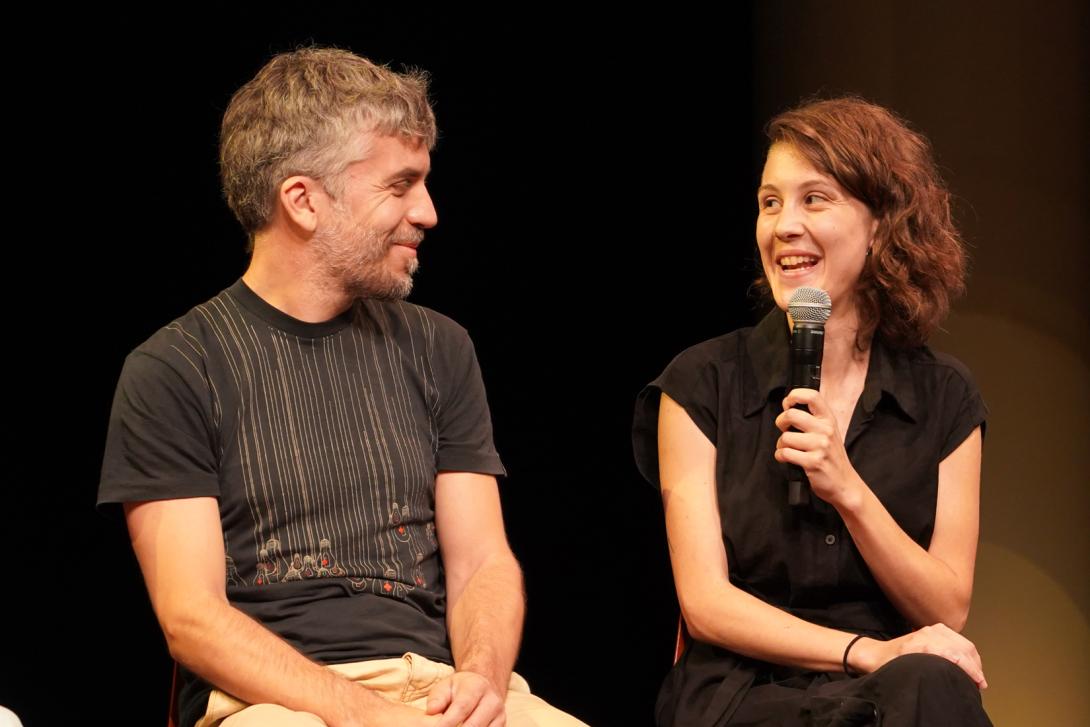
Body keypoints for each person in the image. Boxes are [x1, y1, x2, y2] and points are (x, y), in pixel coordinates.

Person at [100, 47, 585, 727]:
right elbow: (192, 617)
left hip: (439, 686)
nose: (428, 212)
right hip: (270, 703)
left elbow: (482, 561)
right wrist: (364, 713)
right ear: (303, 200)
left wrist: (481, 680)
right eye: (400, 185)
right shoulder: (177, 368)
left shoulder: (439, 346)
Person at [632, 97, 993, 726]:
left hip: (893, 689)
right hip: (743, 692)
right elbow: (706, 604)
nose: (784, 226)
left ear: (882, 223)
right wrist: (864, 653)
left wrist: (848, 489)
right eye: (770, 202)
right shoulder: (702, 383)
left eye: (814, 199)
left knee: (932, 682)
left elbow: (945, 607)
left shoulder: (945, 396)